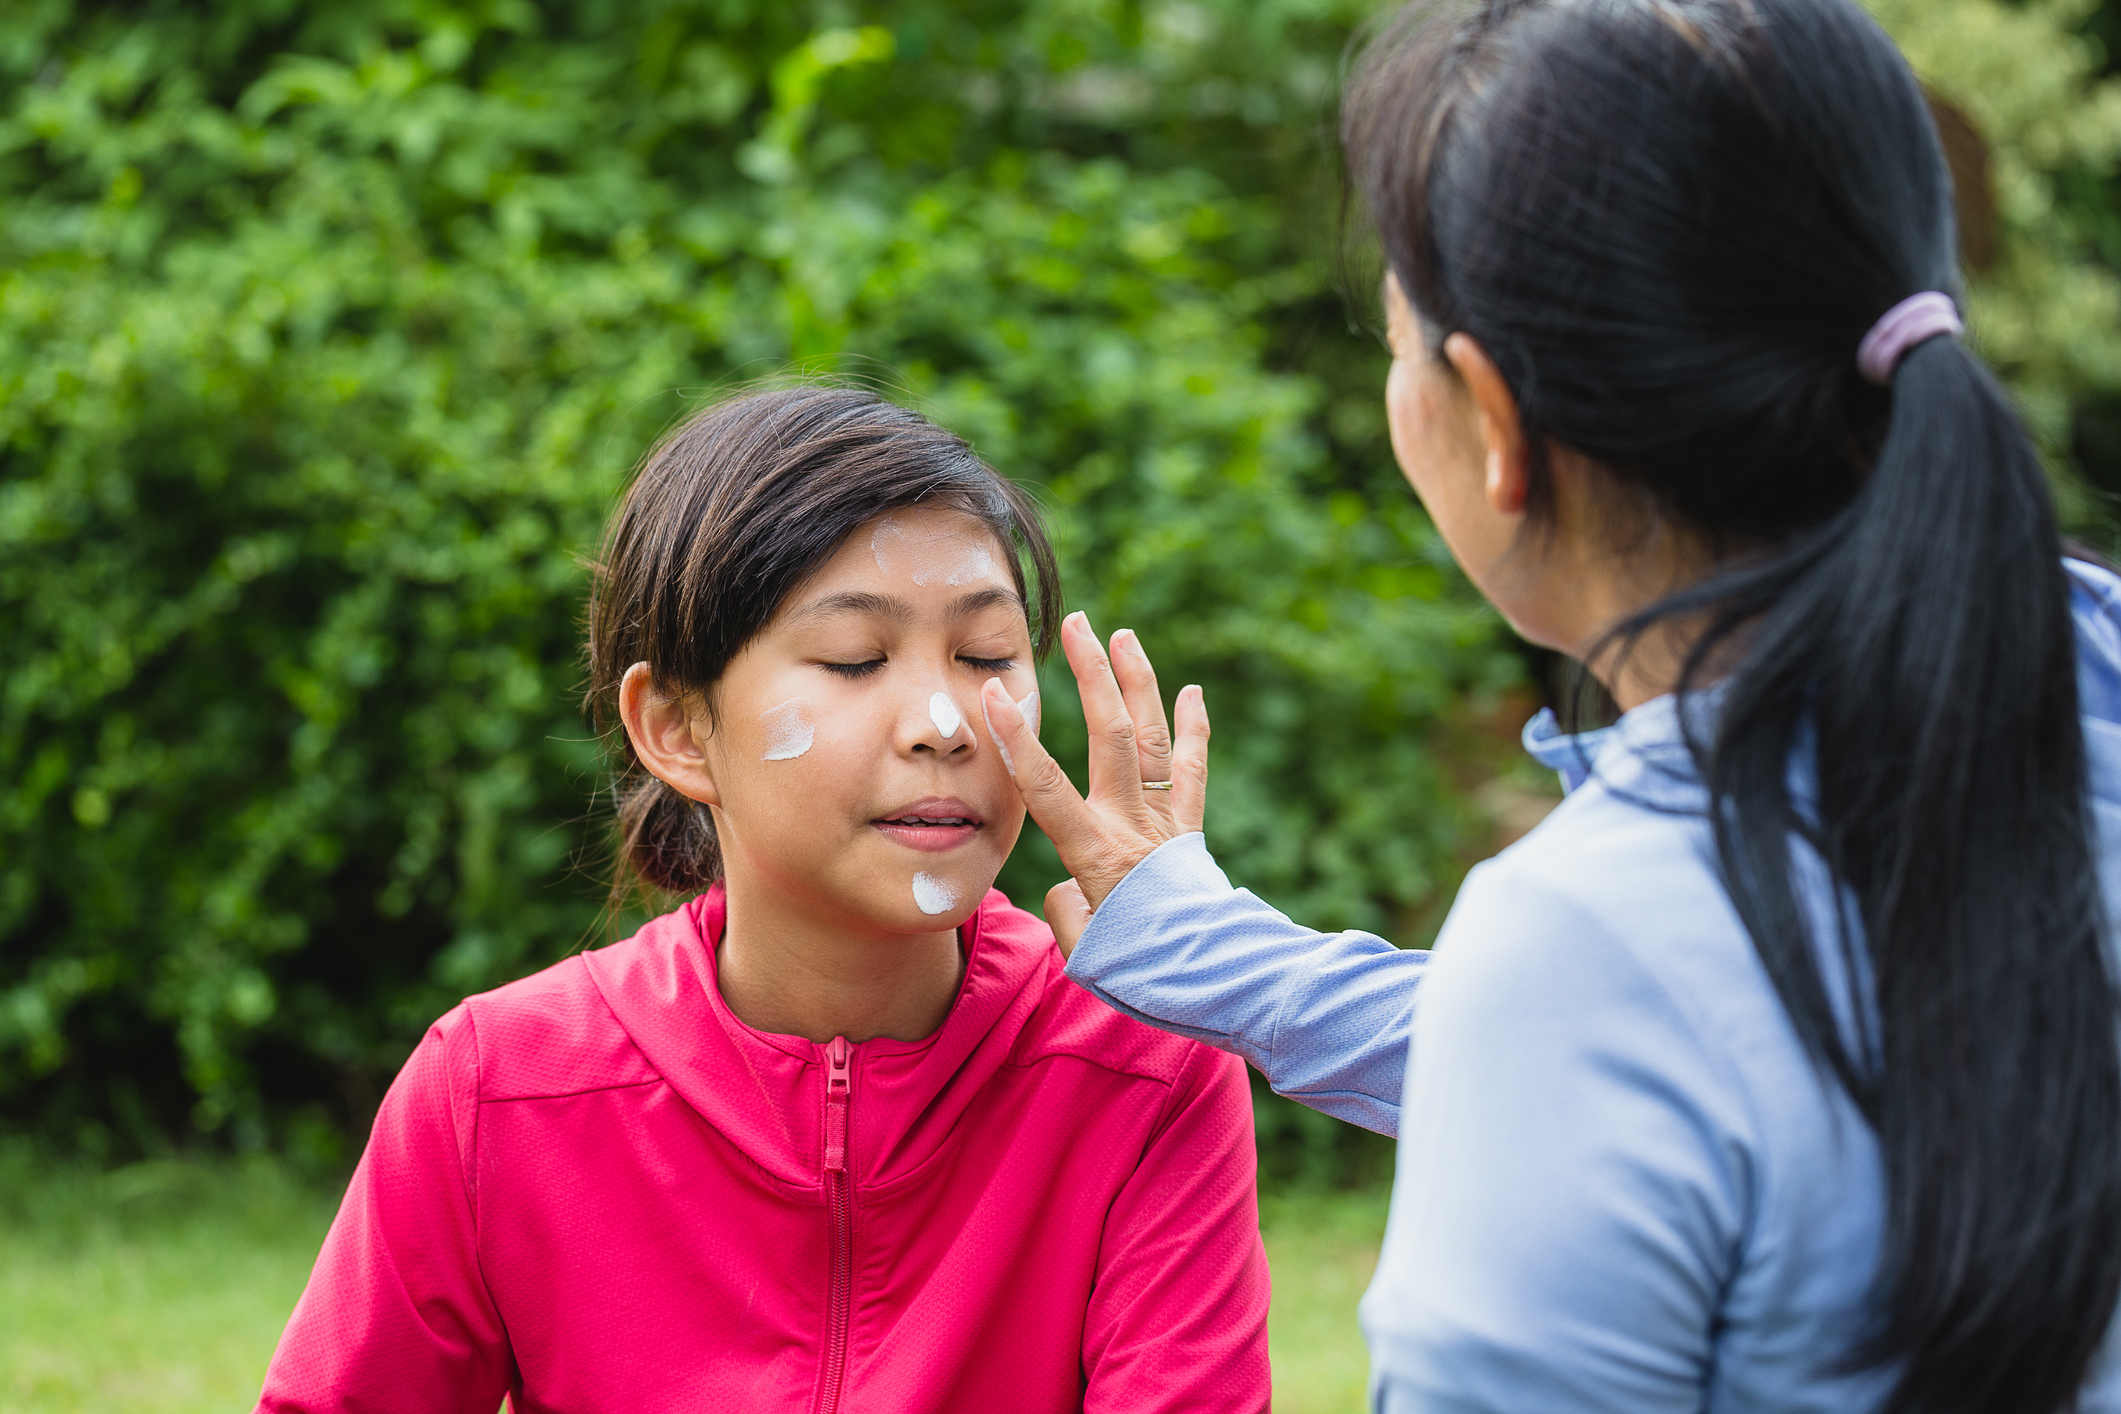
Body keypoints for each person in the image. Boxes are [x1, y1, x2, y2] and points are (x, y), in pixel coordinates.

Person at [974, 1, 2121, 1410]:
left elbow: (1647, 1016)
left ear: (1492, 424)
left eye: (1394, 338)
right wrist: (1222, 954)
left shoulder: (1596, 945)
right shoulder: (2063, 706)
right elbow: (1751, 1033)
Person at [255, 386, 1269, 1413]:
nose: (944, 722)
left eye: (987, 656)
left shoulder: (1150, 1058)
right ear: (678, 728)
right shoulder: (495, 1089)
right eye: (855, 659)